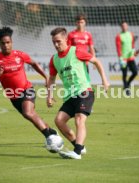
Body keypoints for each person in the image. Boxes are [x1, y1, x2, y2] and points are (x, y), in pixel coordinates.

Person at [0, 27, 58, 145]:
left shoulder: (19, 55)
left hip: (27, 89)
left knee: (28, 113)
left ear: (11, 42)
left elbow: (34, 64)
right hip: (13, 96)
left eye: (8, 42)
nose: (6, 45)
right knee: (31, 115)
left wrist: (45, 77)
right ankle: (52, 132)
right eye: (3, 43)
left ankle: (49, 138)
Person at [47, 27, 110, 159]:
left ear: (66, 39)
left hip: (84, 92)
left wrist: (104, 80)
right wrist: (49, 96)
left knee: (79, 119)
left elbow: (96, 61)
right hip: (70, 96)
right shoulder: (54, 60)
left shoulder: (77, 51)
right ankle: (79, 146)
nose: (56, 44)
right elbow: (52, 78)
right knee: (59, 121)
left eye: (58, 41)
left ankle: (76, 152)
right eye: (53, 42)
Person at [115, 21, 138, 95]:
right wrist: (120, 57)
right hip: (123, 58)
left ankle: (127, 83)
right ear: (121, 27)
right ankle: (127, 89)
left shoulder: (131, 34)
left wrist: (134, 51)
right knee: (124, 74)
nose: (124, 27)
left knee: (135, 72)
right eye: (122, 26)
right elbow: (118, 48)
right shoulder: (119, 36)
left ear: (127, 26)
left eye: (125, 25)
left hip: (130, 57)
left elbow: (133, 44)